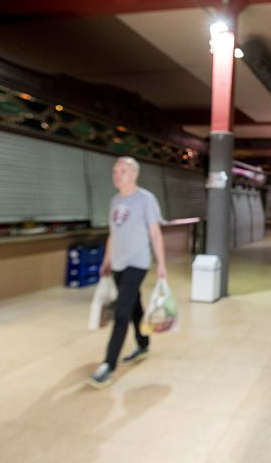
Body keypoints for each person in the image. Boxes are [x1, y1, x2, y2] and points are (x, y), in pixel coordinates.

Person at [89, 156, 166, 388]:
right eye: (114, 171)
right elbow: (113, 233)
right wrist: (107, 259)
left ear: (134, 174)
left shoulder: (146, 199)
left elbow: (155, 233)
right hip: (119, 264)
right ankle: (143, 345)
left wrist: (161, 263)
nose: (117, 175)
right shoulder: (114, 201)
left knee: (121, 312)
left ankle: (108, 365)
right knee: (134, 306)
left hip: (138, 263)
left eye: (122, 171)